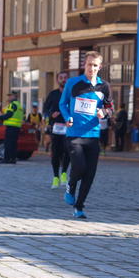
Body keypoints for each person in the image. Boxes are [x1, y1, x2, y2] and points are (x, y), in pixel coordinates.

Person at [59, 51, 113, 219]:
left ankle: (79, 207)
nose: (92, 68)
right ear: (84, 65)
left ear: (100, 67)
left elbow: (110, 108)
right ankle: (70, 186)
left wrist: (104, 113)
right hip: (74, 134)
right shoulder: (73, 83)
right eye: (89, 64)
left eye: (95, 65)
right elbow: (63, 103)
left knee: (90, 174)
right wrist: (67, 117)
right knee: (79, 166)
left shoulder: (104, 86)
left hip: (93, 135)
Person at [43, 71, 70, 189]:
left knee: (67, 150)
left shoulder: (71, 94)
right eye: (61, 78)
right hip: (56, 127)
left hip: (68, 127)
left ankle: (64, 173)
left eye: (65, 78)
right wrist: (50, 115)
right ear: (57, 80)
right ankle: (55, 177)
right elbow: (45, 109)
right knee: (55, 152)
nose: (63, 79)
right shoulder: (53, 94)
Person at [0, 92, 24, 164]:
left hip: (11, 127)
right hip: (17, 127)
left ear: (14, 96)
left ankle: (6, 159)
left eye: (10, 96)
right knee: (13, 144)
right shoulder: (19, 105)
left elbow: (9, 115)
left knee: (8, 143)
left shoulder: (12, 105)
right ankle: (13, 159)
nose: (9, 97)